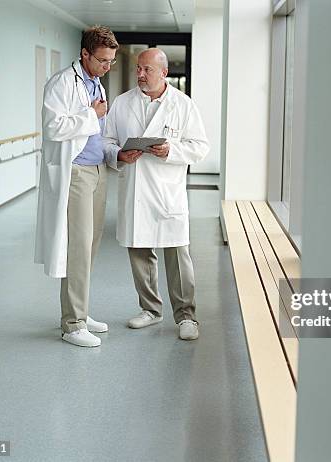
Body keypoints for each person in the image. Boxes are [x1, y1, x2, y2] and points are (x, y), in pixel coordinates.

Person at [103, 48, 209, 340]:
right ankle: (150, 310)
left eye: (146, 69)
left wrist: (171, 150)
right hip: (135, 188)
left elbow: (200, 147)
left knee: (177, 255)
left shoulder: (183, 105)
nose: (140, 74)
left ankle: (187, 316)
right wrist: (120, 155)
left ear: (163, 72)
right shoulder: (123, 103)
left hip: (167, 192)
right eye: (138, 68)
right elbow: (107, 141)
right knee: (140, 252)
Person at [34, 26, 119, 347]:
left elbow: (98, 130)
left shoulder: (94, 81)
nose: (106, 67)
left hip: (98, 170)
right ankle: (72, 323)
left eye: (111, 62)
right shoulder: (61, 83)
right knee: (78, 247)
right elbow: (54, 127)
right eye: (102, 61)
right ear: (84, 53)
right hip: (76, 173)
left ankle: (81, 310)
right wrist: (91, 113)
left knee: (91, 245)